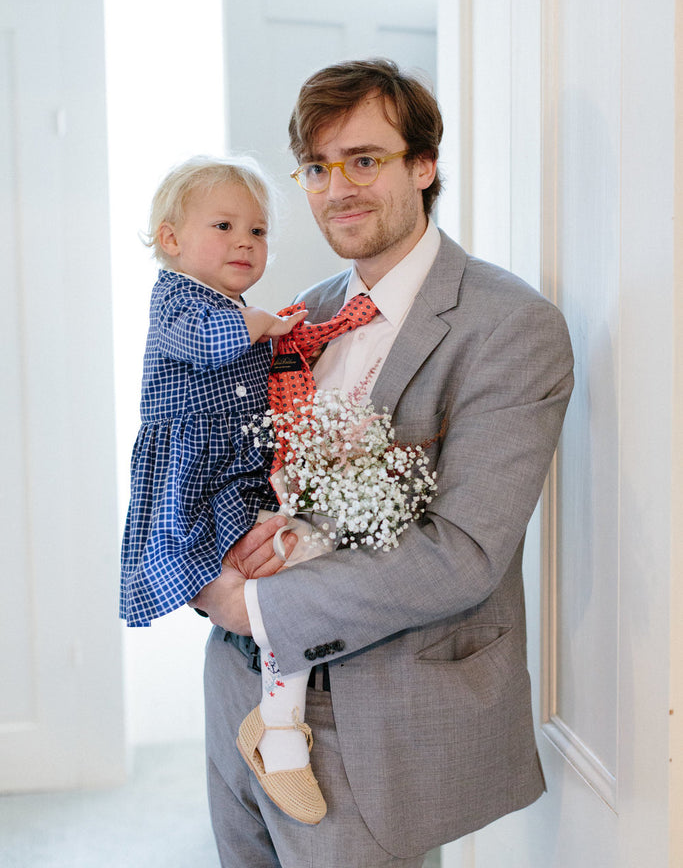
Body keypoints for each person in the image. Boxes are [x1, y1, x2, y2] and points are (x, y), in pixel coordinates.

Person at [191, 59, 575, 868]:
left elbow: (464, 554)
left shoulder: (509, 326)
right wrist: (203, 567)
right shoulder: (305, 312)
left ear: (423, 166)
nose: (338, 188)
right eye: (317, 168)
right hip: (235, 690)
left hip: (364, 716)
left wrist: (254, 611)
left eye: (364, 160)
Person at [119, 156, 328, 822]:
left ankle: (275, 710)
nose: (246, 241)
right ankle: (278, 724)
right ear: (172, 240)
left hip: (236, 469)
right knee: (252, 586)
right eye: (224, 225)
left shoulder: (235, 305)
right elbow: (204, 344)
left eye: (258, 231)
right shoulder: (178, 296)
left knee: (281, 572)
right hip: (193, 475)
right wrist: (263, 325)